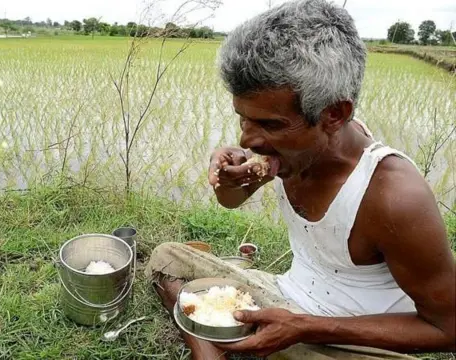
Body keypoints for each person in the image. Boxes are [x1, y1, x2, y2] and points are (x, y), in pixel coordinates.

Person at [144, 0, 456, 359]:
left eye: (270, 124)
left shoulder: (392, 195)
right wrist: (231, 179)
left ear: (334, 115)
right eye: (244, 118)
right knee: (167, 258)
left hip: (356, 337)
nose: (247, 140)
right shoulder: (286, 152)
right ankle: (211, 350)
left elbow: (448, 328)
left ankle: (226, 341)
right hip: (284, 298)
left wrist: (305, 328)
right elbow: (228, 201)